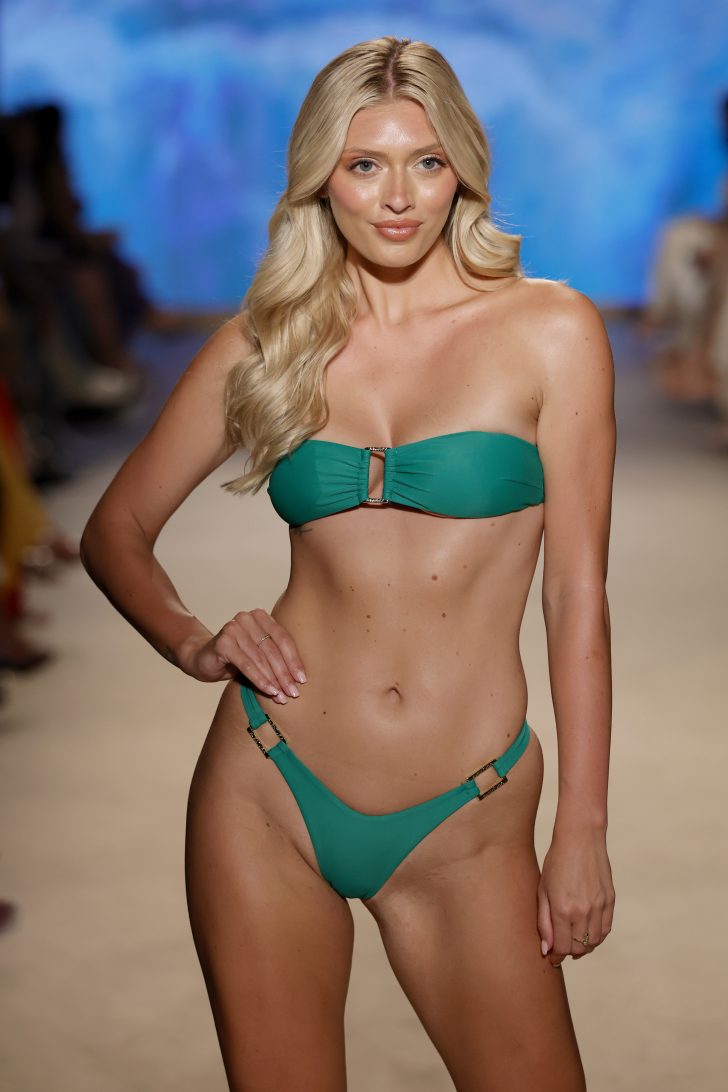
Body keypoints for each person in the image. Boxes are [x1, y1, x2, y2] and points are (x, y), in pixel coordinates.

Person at [80, 36, 616, 1092]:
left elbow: (575, 596)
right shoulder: (267, 341)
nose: (398, 196)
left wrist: (583, 829)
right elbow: (114, 530)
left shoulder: (551, 331)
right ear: (321, 176)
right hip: (268, 782)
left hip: (468, 805)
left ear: (462, 168)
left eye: (425, 161)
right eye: (365, 164)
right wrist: (194, 641)